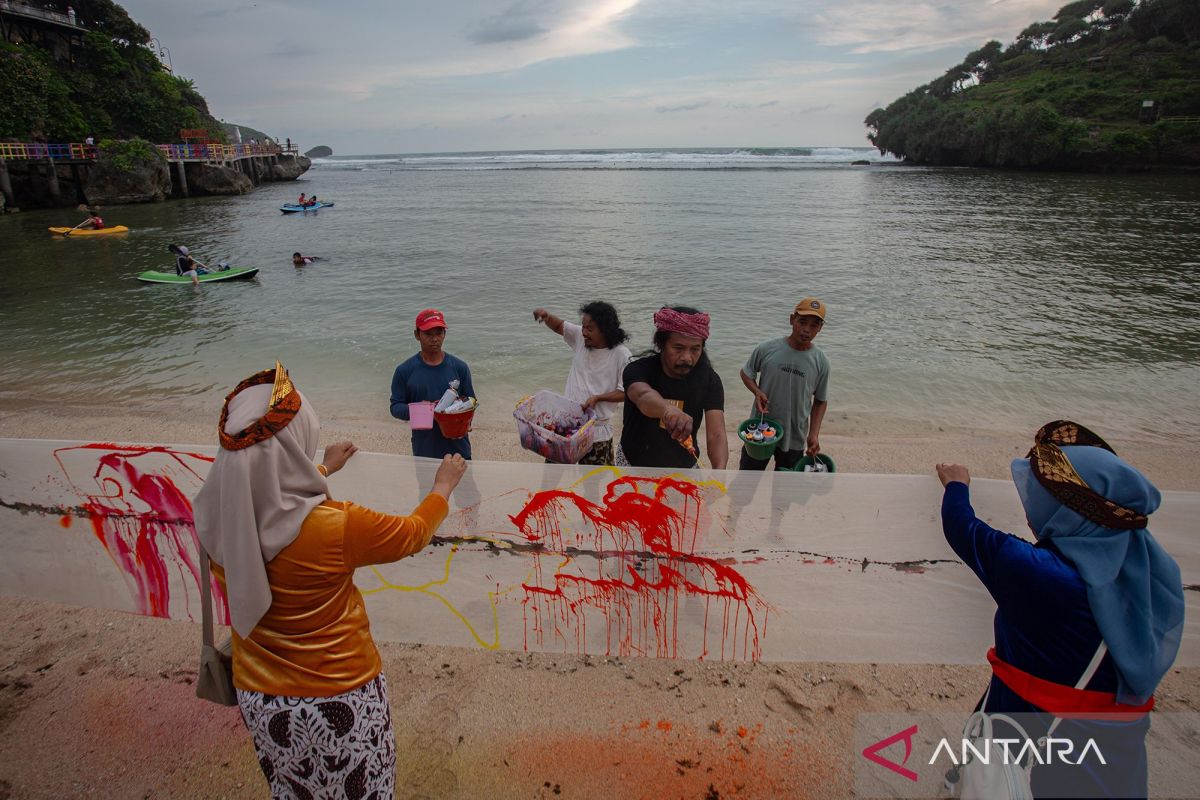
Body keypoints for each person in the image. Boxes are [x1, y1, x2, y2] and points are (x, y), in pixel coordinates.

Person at [194, 362, 467, 800]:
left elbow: (268, 497)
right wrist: (442, 487)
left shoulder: (216, 513)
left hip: (260, 698)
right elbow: (411, 535)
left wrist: (321, 471)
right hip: (341, 696)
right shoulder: (334, 527)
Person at [936, 420, 1184, 798]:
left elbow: (962, 527)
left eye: (1041, 496)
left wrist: (957, 485)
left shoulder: (1041, 574)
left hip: (1039, 761)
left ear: (1067, 509)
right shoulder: (1155, 573)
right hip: (1117, 760)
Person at [620, 306, 727, 469]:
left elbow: (716, 434)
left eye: (695, 349)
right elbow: (642, 396)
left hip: (684, 466)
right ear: (661, 344)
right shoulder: (638, 369)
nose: (686, 358)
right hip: (633, 463)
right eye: (678, 348)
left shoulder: (710, 380)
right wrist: (668, 410)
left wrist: (720, 472)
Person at [532, 302, 632, 465]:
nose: (584, 332)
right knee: (551, 476)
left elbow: (627, 392)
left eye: (590, 329)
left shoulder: (622, 355)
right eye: (583, 327)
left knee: (592, 482)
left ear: (606, 329)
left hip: (597, 431)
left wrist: (598, 398)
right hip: (566, 424)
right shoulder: (580, 337)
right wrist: (547, 317)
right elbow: (559, 326)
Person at [738, 297, 830, 470]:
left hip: (794, 436)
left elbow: (820, 401)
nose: (806, 330)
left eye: (814, 325)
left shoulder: (821, 361)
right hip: (759, 431)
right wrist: (757, 392)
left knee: (784, 492)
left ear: (820, 328)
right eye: (802, 322)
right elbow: (746, 373)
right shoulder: (767, 349)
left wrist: (813, 434)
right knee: (745, 484)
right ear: (791, 319)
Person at [390, 308, 476, 459]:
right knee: (427, 484)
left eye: (439, 333)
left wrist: (465, 423)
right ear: (417, 335)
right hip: (424, 449)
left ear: (444, 334)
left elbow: (471, 401)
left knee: (464, 483)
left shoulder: (459, 367)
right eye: (428, 334)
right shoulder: (404, 371)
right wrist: (421, 410)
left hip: (458, 449)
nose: (434, 339)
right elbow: (395, 407)